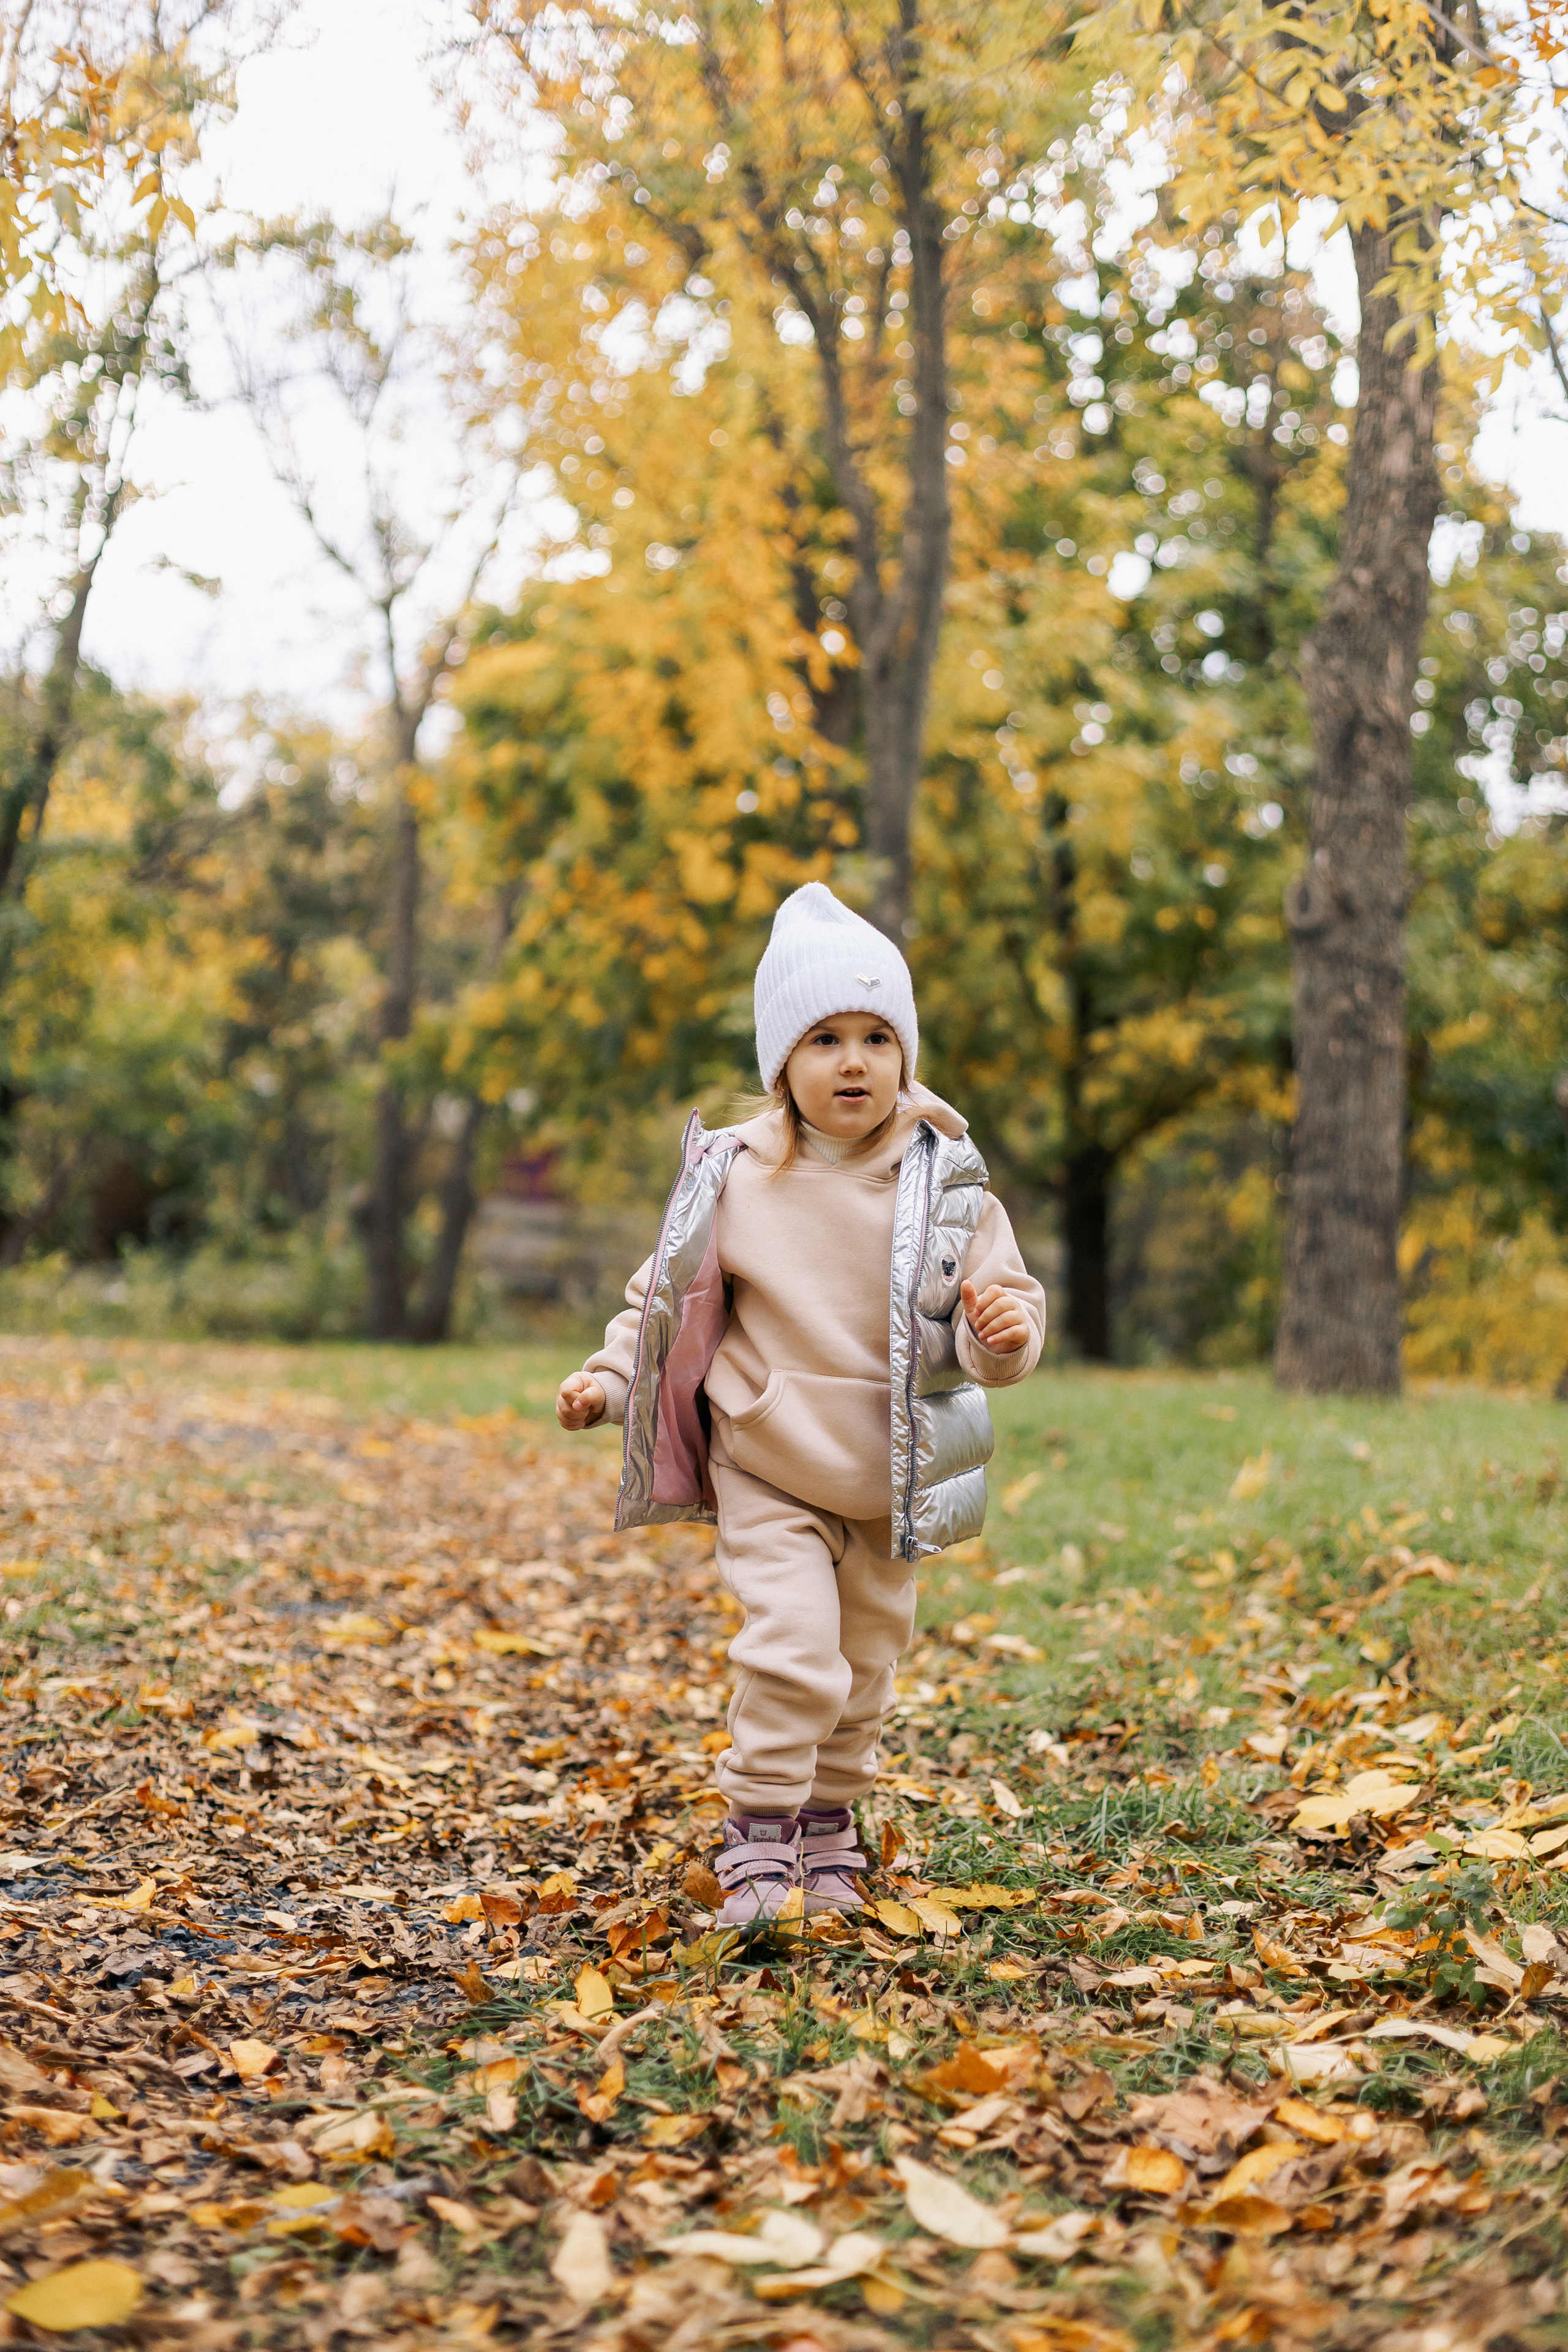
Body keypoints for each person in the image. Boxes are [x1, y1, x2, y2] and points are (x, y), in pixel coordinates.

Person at [556, 883, 1046, 1928]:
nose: (856, 1061)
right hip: (770, 1457)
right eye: (826, 1038)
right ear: (783, 1061)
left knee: (865, 1668)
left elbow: (996, 1308)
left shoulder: (947, 1184)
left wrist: (1000, 1337)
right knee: (793, 1647)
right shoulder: (737, 1177)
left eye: (878, 1036)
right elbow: (666, 1298)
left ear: (906, 1054)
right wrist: (610, 1381)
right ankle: (760, 1834)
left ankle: (830, 1823)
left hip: (891, 1473)